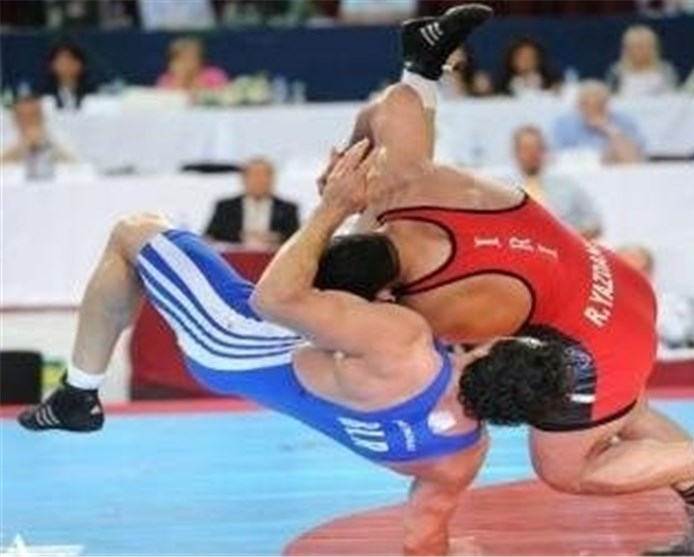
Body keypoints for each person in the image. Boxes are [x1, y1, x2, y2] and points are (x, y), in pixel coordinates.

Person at [315, 5, 694, 554]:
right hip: (615, 279)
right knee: (621, 410)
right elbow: (389, 108)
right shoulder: (411, 181)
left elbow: (483, 372)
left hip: (600, 337)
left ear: (383, 293)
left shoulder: (441, 303)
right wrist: (354, 164)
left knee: (565, 466)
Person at [17, 140, 488, 556]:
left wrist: (333, 207)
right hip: (262, 354)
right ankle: (78, 394)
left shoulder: (406, 344)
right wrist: (444, 549)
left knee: (133, 231)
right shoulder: (459, 459)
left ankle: (79, 392)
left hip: (236, 334)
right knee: (145, 259)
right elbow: (420, 541)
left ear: (481, 360)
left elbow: (277, 297)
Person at [511, 125, 603, 239]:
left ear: (545, 151)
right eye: (527, 148)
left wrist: (570, 237)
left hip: (564, 243)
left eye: (538, 148)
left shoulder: (567, 185)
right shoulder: (503, 188)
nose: (532, 154)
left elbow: (595, 222)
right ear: (515, 152)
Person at [205, 158, 300, 250]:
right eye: (255, 176)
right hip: (234, 257)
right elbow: (210, 237)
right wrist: (243, 236)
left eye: (264, 176)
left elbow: (296, 240)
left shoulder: (288, 209)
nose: (259, 181)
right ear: (244, 179)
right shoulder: (225, 206)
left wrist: (274, 238)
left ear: (272, 179)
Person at [617, 244, 693, 353]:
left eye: (640, 269)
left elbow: (677, 334)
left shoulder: (671, 302)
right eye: (626, 270)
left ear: (650, 272)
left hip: (664, 360)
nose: (633, 275)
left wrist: (641, 310)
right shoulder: (605, 303)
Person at [551, 80, 645, 164]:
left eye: (599, 105)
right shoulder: (564, 124)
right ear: (578, 106)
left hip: (617, 172)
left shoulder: (624, 121)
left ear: (607, 105)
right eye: (586, 105)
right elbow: (557, 158)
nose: (592, 110)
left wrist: (610, 129)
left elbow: (633, 160)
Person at [0, 95, 74, 169]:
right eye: (23, 117)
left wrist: (45, 146)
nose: (29, 122)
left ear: (43, 117)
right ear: (15, 120)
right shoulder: (5, 138)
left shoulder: (60, 136)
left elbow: (74, 163)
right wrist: (20, 149)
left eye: (33, 115)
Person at [605, 24, 678, 97]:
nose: (640, 51)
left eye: (645, 46)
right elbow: (611, 97)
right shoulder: (616, 72)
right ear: (626, 49)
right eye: (635, 47)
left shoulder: (665, 70)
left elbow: (673, 96)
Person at [156, 36, 229, 93]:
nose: (187, 63)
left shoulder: (215, 75)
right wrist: (180, 81)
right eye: (182, 59)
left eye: (192, 58)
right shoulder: (166, 80)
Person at [497, 36, 562, 96]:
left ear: (539, 60)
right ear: (511, 60)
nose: (526, 60)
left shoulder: (552, 84)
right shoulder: (502, 87)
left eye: (531, 56)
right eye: (522, 56)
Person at [44, 41, 95, 110]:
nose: (67, 65)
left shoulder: (94, 93)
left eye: (72, 60)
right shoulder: (43, 96)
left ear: (81, 65)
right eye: (62, 61)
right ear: (52, 65)